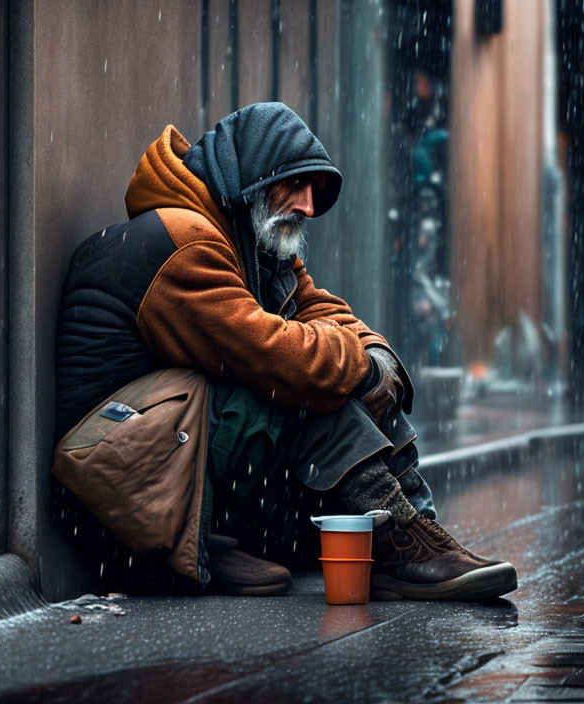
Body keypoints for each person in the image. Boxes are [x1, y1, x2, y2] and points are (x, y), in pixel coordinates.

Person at [52, 102, 516, 601]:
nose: (309, 206)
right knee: (304, 389)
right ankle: (399, 545)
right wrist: (360, 369)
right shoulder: (183, 244)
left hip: (172, 450)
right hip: (116, 477)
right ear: (253, 178)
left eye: (314, 191)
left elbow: (326, 312)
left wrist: (375, 361)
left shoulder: (248, 240)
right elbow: (276, 356)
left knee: (333, 378)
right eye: (296, 186)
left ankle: (415, 533)